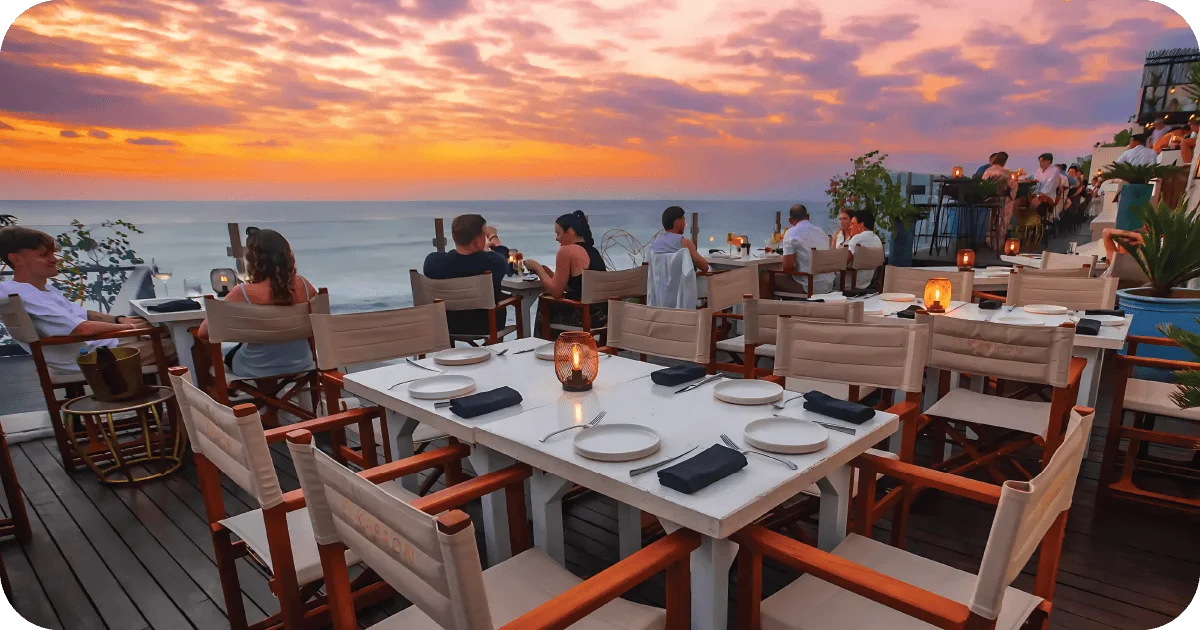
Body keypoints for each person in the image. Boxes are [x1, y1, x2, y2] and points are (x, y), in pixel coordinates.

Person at [0, 226, 175, 372]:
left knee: (167, 329)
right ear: (16, 258)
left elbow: (85, 314)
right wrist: (128, 327)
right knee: (182, 342)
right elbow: (82, 329)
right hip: (93, 358)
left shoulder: (36, 290)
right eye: (43, 255)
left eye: (53, 254)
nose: (54, 260)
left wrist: (118, 319)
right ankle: (186, 402)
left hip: (93, 348)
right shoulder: (25, 295)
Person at [196, 228, 317, 377]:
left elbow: (203, 332)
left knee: (229, 353)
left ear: (252, 259)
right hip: (301, 363)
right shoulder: (304, 285)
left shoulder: (242, 292)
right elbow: (321, 322)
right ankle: (274, 398)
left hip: (255, 368)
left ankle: (251, 395)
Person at [421, 214, 512, 337]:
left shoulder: (433, 263)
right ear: (478, 241)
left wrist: (481, 250)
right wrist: (493, 237)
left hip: (448, 325)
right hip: (487, 325)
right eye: (483, 235)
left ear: (454, 237)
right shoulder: (493, 263)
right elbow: (503, 259)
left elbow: (460, 260)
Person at [525, 211, 607, 332]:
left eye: (558, 234)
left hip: (582, 316)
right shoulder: (594, 252)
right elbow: (578, 285)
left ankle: (543, 345)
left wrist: (537, 268)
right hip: (602, 315)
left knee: (545, 301)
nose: (556, 238)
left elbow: (556, 292)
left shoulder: (566, 250)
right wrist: (549, 273)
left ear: (570, 231)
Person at [775, 204, 833, 296]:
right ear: (808, 216)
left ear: (790, 220)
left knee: (766, 277)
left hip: (809, 286)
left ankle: (768, 309)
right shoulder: (821, 232)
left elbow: (787, 268)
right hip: (828, 284)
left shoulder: (791, 233)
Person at [648, 206, 709, 272]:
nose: (685, 223)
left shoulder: (655, 243)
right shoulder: (684, 243)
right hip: (681, 282)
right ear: (677, 222)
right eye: (683, 220)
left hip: (658, 282)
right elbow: (705, 267)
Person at [844, 210, 882, 289]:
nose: (849, 227)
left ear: (861, 225)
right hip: (866, 285)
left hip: (847, 285)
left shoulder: (857, 238)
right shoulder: (877, 239)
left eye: (852, 224)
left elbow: (843, 262)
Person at [982, 152, 1016, 236]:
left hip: (986, 199)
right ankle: (1002, 231)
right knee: (1010, 201)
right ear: (1004, 162)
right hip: (1000, 200)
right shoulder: (1005, 172)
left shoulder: (988, 170)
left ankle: (989, 234)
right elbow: (1011, 187)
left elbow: (982, 184)